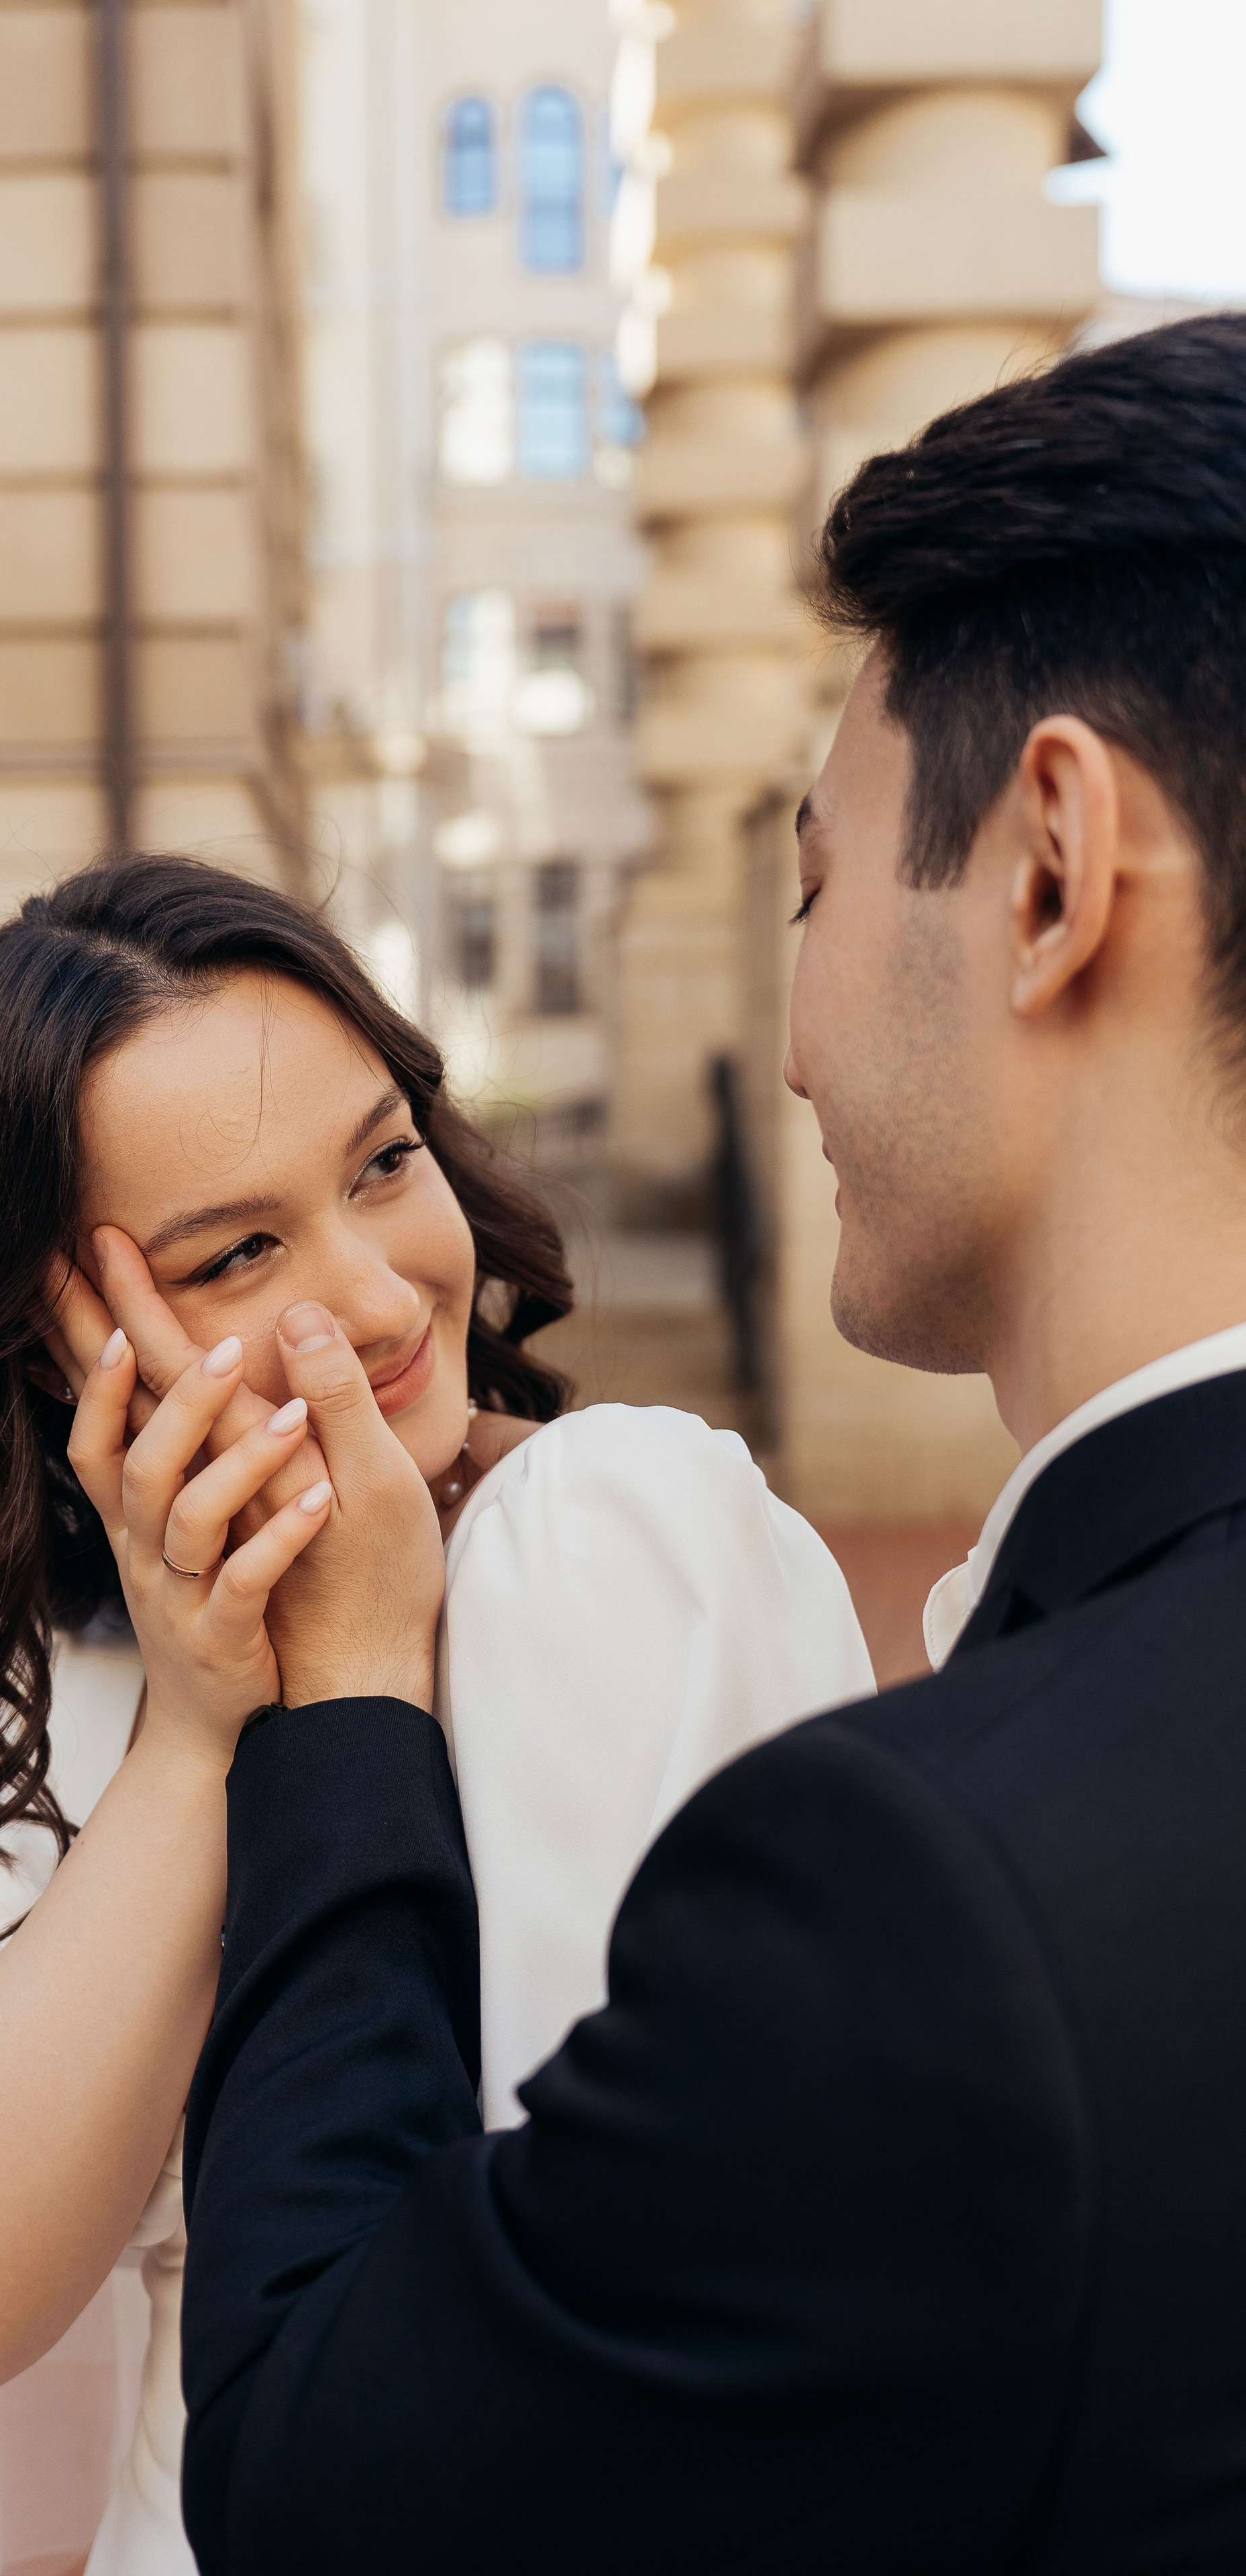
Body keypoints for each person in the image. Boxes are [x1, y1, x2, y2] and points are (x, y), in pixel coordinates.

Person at [170, 312, 1246, 2572]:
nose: (785, 1041)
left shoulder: (938, 1894)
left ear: (1050, 868)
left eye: (818, 885)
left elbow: (321, 2481)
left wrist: (348, 1700)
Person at [0, 861, 872, 2574]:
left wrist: (359, 1674)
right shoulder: (92, 1669)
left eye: (383, 1163)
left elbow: (628, 2298)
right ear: (70, 1341)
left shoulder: (611, 1537)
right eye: (236, 1252)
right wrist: (198, 1734)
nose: (376, 1297)